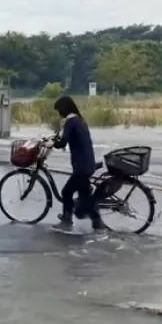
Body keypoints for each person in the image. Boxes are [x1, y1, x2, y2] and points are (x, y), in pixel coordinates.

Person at [47, 95, 106, 232]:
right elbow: (68, 137)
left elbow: (63, 142)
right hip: (87, 163)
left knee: (66, 192)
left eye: (59, 111)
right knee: (85, 197)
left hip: (81, 167)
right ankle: (97, 222)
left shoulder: (71, 122)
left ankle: (67, 221)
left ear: (64, 109)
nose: (59, 114)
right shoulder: (79, 120)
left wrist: (52, 143)